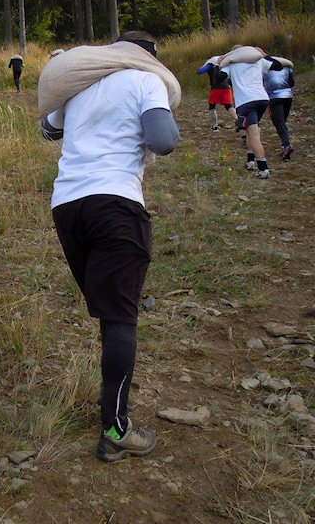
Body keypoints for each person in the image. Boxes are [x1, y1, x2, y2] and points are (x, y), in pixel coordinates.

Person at [39, 30, 180, 462]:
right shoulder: (146, 79)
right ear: (150, 56)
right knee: (120, 317)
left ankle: (110, 401)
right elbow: (163, 140)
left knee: (110, 311)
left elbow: (48, 129)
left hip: (68, 207)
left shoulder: (81, 81)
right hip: (116, 204)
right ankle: (116, 429)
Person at [215, 45, 284, 179]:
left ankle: (263, 169)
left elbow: (218, 78)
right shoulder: (258, 61)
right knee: (250, 130)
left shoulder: (231, 65)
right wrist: (264, 55)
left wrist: (218, 65)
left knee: (253, 134)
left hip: (246, 102)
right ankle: (250, 161)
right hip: (262, 99)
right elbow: (278, 66)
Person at [263, 57, 295, 160]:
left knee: (279, 122)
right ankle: (285, 144)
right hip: (288, 96)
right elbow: (292, 83)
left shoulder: (263, 68)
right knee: (283, 121)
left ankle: (286, 145)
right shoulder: (287, 67)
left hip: (274, 97)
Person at [196, 58, 237, 132]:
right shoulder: (225, 65)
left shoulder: (210, 65)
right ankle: (237, 120)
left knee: (212, 106)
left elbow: (199, 71)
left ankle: (214, 126)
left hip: (216, 88)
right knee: (229, 106)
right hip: (227, 88)